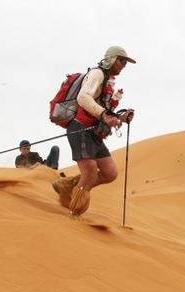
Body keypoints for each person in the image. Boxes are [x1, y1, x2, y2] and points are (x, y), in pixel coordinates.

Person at [51, 46, 135, 217]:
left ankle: (66, 185)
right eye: (122, 60)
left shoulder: (108, 80)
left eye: (126, 62)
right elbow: (83, 98)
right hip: (80, 127)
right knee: (89, 173)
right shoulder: (97, 74)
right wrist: (105, 114)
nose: (124, 65)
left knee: (110, 173)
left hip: (93, 132)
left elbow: (103, 108)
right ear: (111, 58)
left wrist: (121, 117)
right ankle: (74, 213)